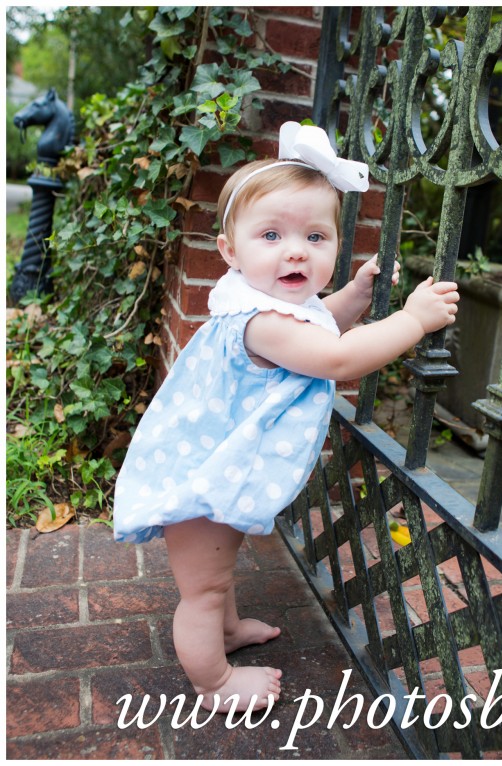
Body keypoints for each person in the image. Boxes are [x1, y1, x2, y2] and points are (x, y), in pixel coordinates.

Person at [113, 122, 460, 713]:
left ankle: (225, 632)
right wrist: (415, 319)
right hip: (198, 477)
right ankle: (213, 682)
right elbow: (336, 355)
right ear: (230, 251)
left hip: (208, 468)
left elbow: (322, 322)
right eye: (271, 234)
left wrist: (353, 293)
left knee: (217, 578)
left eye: (316, 236)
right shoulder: (260, 322)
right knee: (202, 589)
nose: (296, 249)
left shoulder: (268, 303)